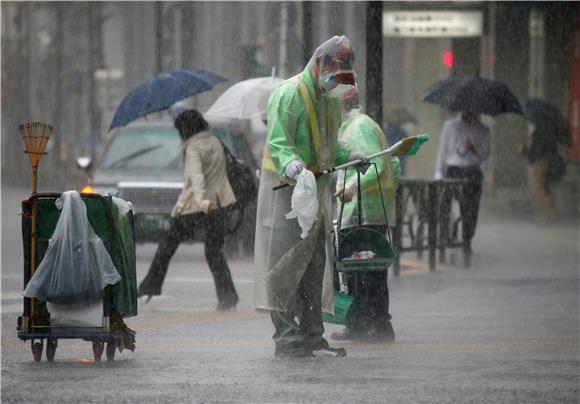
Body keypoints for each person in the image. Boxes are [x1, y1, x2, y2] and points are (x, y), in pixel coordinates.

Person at [254, 36, 368, 358]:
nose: (337, 85)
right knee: (284, 266)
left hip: (315, 191)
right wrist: (293, 166)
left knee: (314, 265)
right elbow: (279, 142)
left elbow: (329, 145)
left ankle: (311, 333)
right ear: (320, 64)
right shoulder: (289, 95)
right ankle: (287, 335)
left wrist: (351, 154)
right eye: (335, 77)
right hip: (284, 194)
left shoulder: (330, 100)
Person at [137, 109, 239, 310]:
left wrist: (201, 202)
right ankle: (228, 296)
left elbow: (196, 179)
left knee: (167, 245)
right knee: (214, 252)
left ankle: (151, 285)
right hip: (219, 205)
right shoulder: (216, 142)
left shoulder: (192, 147)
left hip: (196, 206)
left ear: (185, 129)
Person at [331, 86, 400, 342]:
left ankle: (377, 324)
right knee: (361, 269)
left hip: (365, 211)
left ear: (341, 103)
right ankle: (363, 323)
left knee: (366, 270)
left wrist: (352, 187)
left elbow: (379, 166)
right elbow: (389, 164)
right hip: (360, 210)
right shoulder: (354, 126)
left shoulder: (359, 126)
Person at [434, 111, 490, 255]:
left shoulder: (483, 129)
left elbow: (485, 155)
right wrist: (438, 173)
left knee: (471, 209)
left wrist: (473, 149)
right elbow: (443, 152)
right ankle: (446, 235)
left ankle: (467, 239)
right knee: (445, 204)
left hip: (473, 171)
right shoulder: (449, 126)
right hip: (453, 171)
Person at [520, 122, 566, 222]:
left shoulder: (535, 135)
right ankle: (547, 211)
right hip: (542, 161)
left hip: (537, 162)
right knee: (541, 189)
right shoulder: (544, 132)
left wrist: (524, 150)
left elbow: (532, 149)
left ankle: (550, 212)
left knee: (538, 189)